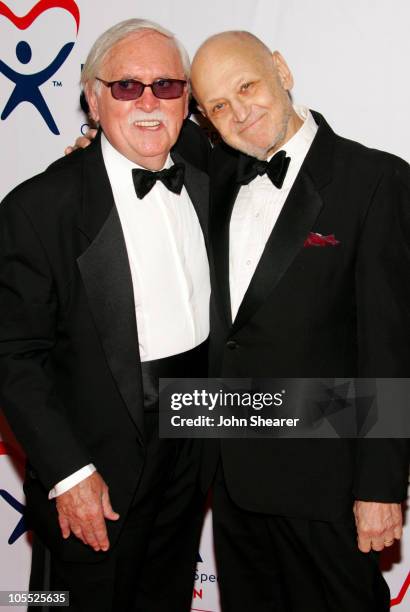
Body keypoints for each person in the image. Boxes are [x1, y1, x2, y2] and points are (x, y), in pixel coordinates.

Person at [190, 31, 410, 612]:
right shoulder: (211, 181)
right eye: (217, 105)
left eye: (247, 86)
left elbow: (388, 346)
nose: (239, 112)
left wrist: (380, 486)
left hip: (328, 483)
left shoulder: (375, 180)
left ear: (282, 70)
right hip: (233, 478)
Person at [0, 19, 211, 612]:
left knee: (166, 593)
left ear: (187, 101)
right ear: (93, 98)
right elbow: (14, 355)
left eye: (167, 86)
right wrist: (68, 472)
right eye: (126, 87)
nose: (148, 102)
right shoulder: (39, 208)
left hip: (195, 432)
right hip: (100, 453)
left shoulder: (203, 164)